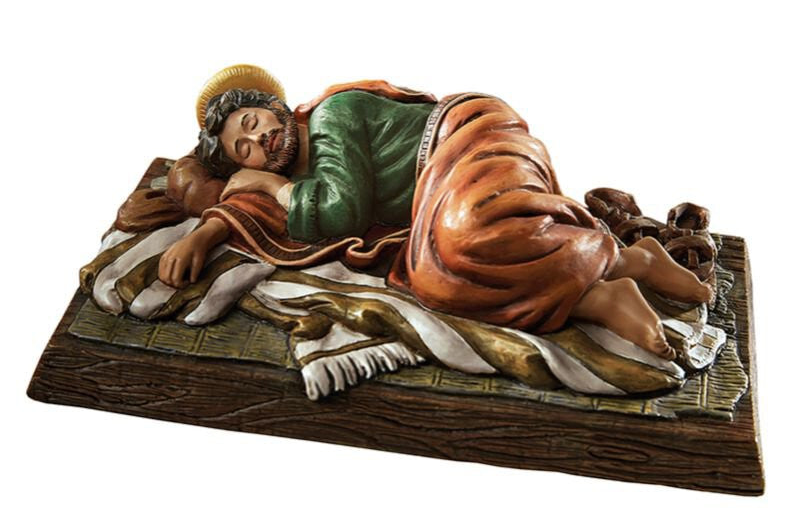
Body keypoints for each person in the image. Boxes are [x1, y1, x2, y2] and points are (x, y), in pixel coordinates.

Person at [157, 75, 711, 360]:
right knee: (433, 278)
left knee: (460, 237)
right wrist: (204, 234)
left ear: (272, 104)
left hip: (466, 136)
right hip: (447, 184)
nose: (258, 138)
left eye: (252, 122)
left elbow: (341, 211)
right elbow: (249, 210)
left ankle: (620, 262)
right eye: (244, 149)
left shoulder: (330, 118)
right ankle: (606, 291)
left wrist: (274, 186)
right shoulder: (302, 173)